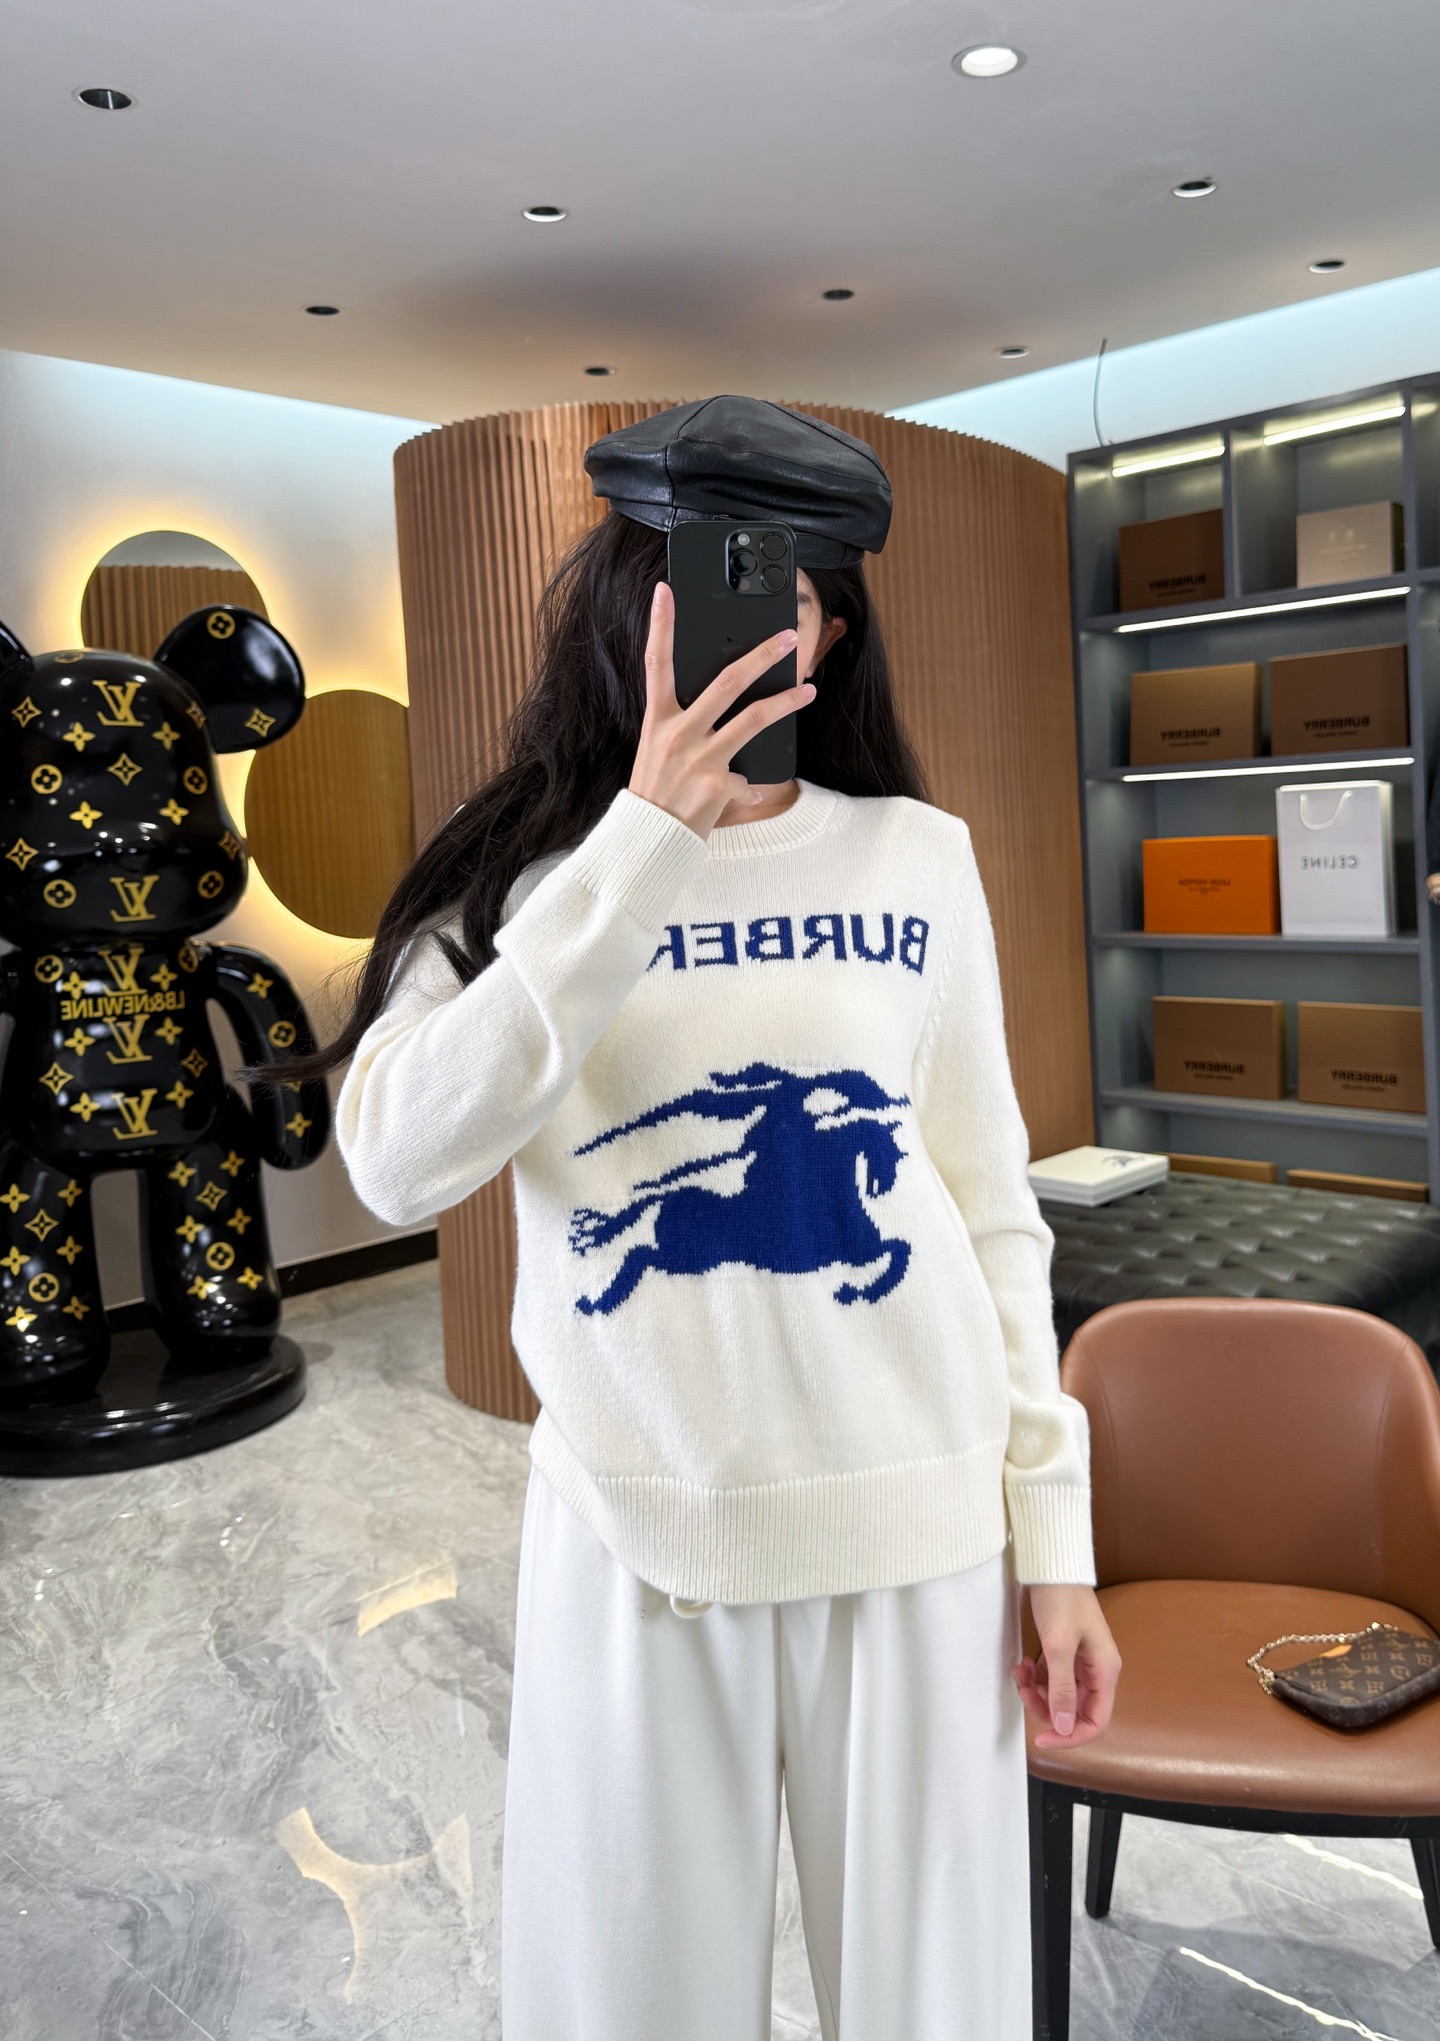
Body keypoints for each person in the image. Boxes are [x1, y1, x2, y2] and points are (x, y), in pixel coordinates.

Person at [309, 397, 1121, 2039]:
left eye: (794, 596)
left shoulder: (918, 858)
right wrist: (644, 846)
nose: (758, 633)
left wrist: (1059, 1543)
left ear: (834, 633)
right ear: (633, 609)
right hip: (638, 1532)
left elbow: (988, 1211)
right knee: (629, 2000)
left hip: (918, 1527)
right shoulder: (520, 880)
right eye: (711, 586)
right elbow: (395, 1163)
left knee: (937, 2008)